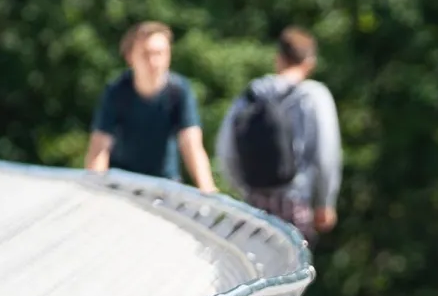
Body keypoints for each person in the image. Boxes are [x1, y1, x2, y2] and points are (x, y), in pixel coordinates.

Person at [218, 26, 342, 241]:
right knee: (295, 272)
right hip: (295, 204)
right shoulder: (314, 95)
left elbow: (225, 149)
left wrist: (243, 188)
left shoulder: (252, 94)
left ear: (279, 59)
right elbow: (326, 155)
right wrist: (324, 203)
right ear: (310, 62)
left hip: (253, 205)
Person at [84, 21, 216, 191]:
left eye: (159, 53)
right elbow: (100, 147)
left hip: (165, 185)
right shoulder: (116, 91)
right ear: (130, 57)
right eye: (146, 54)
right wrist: (95, 189)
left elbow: (191, 145)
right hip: (122, 184)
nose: (153, 61)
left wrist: (208, 191)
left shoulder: (179, 91)